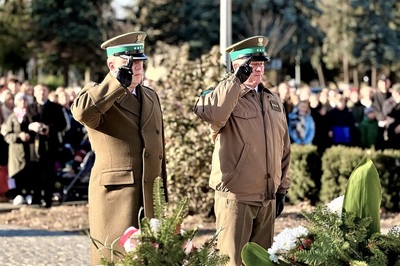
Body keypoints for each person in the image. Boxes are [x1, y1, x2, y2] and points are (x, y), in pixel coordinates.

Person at [70, 31, 168, 265]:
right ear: (111, 64)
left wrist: (162, 195)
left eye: (140, 62)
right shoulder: (98, 94)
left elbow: (158, 150)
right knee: (116, 258)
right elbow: (81, 112)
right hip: (117, 197)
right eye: (129, 62)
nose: (136, 67)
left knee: (149, 258)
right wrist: (115, 83)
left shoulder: (151, 96)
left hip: (149, 194)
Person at [194, 36, 291, 266]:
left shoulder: (273, 100)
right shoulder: (224, 96)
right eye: (251, 64)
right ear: (237, 66)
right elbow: (213, 113)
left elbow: (284, 148)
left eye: (260, 64)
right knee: (231, 261)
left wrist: (282, 189)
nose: (258, 69)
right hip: (236, 198)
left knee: (262, 261)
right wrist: (236, 81)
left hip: (266, 198)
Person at [26, 83, 67, 208]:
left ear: (47, 92)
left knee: (49, 173)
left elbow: (63, 125)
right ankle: (36, 198)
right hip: (34, 146)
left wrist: (49, 129)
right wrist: (31, 126)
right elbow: (24, 124)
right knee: (35, 173)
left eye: (44, 91)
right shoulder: (30, 107)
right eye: (39, 91)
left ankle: (47, 199)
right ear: (34, 93)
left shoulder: (55, 107)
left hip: (50, 145)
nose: (41, 93)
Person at [3, 92, 36, 205]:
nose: (23, 103)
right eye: (20, 100)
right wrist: (18, 136)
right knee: (17, 173)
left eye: (24, 100)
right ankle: (18, 194)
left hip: (29, 149)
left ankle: (28, 194)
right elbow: (7, 135)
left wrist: (29, 135)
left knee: (29, 172)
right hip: (16, 151)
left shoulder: (30, 115)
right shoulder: (12, 117)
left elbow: (35, 131)